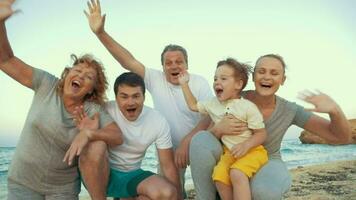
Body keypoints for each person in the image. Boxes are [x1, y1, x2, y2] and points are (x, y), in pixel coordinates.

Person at [84, 0, 213, 196]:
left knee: (206, 192)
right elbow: (127, 60)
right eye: (168, 62)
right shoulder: (155, 78)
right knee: (172, 190)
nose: (174, 66)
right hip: (168, 149)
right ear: (162, 66)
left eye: (179, 61)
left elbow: (209, 116)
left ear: (187, 64)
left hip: (194, 144)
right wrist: (100, 33)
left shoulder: (199, 82)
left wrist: (188, 141)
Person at [0, 1, 123, 199]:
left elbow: (117, 137)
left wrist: (90, 134)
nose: (81, 76)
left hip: (62, 190)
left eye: (89, 77)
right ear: (67, 74)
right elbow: (6, 60)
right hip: (23, 183)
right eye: (77, 70)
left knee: (98, 144)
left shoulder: (91, 109)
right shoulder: (46, 84)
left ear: (92, 90)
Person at [189, 54, 352, 200]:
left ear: (283, 79)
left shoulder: (290, 110)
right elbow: (204, 138)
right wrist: (218, 129)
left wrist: (335, 111)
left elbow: (341, 138)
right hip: (231, 156)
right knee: (201, 139)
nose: (267, 77)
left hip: (267, 160)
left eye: (274, 73)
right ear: (253, 77)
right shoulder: (231, 98)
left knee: (264, 192)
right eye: (261, 71)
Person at [75, 72, 182, 199]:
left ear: (144, 97)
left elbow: (168, 165)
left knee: (166, 193)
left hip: (131, 176)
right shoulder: (103, 110)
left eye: (136, 96)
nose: (130, 102)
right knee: (96, 144)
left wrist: (178, 196)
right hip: (100, 175)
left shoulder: (158, 121)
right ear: (116, 98)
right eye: (124, 97)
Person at [178, 58, 268, 200]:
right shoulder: (213, 104)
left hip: (252, 151)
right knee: (219, 177)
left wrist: (246, 145)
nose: (217, 82)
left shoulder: (247, 107)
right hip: (230, 153)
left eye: (223, 78)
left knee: (236, 173)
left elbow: (261, 134)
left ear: (238, 84)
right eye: (215, 78)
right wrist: (184, 84)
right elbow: (193, 105)